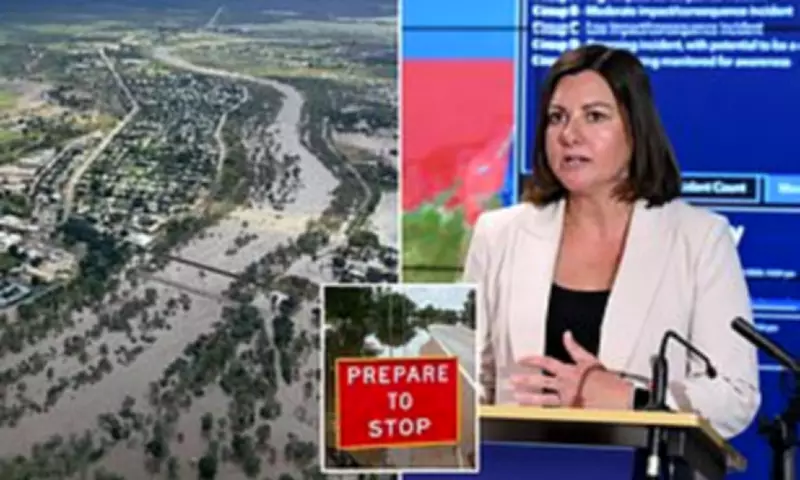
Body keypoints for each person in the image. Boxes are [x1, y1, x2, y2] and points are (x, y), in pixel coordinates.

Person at [462, 44, 760, 440]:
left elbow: (735, 395)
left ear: (635, 131)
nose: (569, 135)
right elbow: (467, 378)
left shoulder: (700, 239)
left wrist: (631, 398)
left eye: (595, 116)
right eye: (557, 118)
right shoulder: (498, 235)